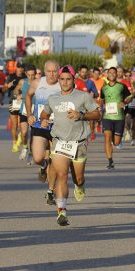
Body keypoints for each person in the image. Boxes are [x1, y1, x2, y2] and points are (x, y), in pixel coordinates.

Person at [40, 65, 100, 225]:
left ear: (74, 80)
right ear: (58, 80)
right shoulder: (53, 98)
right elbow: (44, 113)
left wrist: (82, 115)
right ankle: (62, 211)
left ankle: (79, 186)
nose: (65, 82)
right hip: (59, 142)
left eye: (68, 79)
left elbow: (97, 113)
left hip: (79, 143)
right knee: (62, 175)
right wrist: (44, 120)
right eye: (62, 79)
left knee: (78, 178)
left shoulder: (83, 96)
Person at [25, 60, 61, 205]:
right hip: (40, 125)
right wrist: (29, 114)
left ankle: (50, 191)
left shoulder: (63, 84)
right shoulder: (37, 83)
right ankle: (43, 165)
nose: (52, 74)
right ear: (45, 72)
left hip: (58, 127)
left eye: (55, 71)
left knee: (56, 161)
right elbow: (28, 96)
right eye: (49, 71)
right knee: (38, 157)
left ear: (59, 71)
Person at [100, 67, 132, 169]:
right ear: (107, 75)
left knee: (116, 142)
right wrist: (101, 106)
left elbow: (130, 97)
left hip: (119, 118)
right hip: (107, 117)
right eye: (110, 73)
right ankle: (110, 161)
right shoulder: (104, 88)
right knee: (107, 138)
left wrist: (124, 102)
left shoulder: (122, 86)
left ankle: (117, 139)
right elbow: (101, 100)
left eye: (114, 72)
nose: (112, 74)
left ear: (117, 74)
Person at [15, 64, 36, 161]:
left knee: (33, 133)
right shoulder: (22, 82)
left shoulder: (38, 83)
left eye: (33, 75)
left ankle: (31, 152)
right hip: (24, 110)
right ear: (26, 74)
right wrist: (18, 95)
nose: (31, 77)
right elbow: (16, 89)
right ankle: (25, 147)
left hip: (35, 111)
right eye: (29, 75)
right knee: (24, 132)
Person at [6, 63, 26, 152]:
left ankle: (19, 138)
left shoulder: (26, 77)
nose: (20, 69)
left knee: (22, 124)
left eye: (22, 68)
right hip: (13, 101)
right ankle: (14, 143)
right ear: (16, 68)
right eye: (19, 67)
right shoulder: (11, 76)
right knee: (14, 125)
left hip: (23, 101)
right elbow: (4, 88)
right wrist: (8, 85)